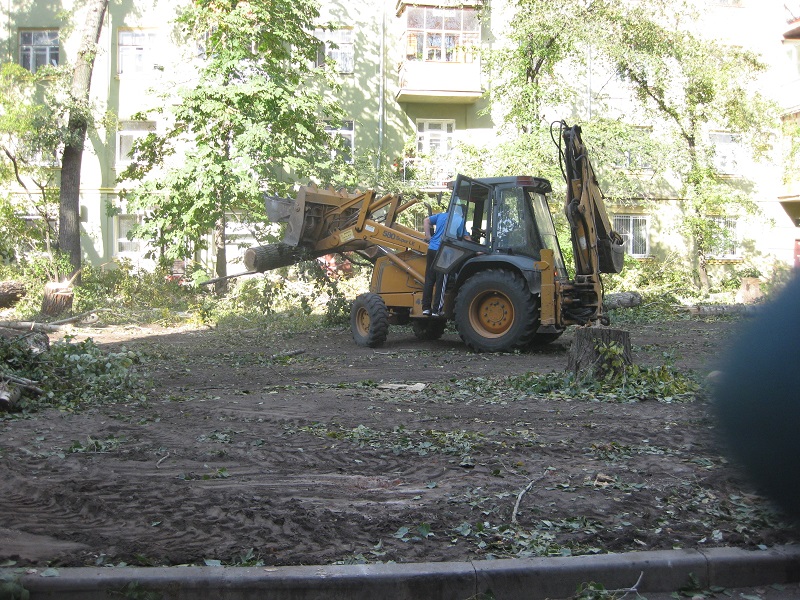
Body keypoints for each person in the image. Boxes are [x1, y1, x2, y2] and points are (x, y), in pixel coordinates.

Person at [421, 207, 467, 316]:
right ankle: (437, 310)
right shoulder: (459, 219)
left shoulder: (441, 215)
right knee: (441, 280)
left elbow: (426, 220)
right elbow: (465, 237)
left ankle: (426, 308)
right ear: (461, 212)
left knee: (429, 279)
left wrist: (428, 236)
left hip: (432, 249)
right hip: (444, 251)